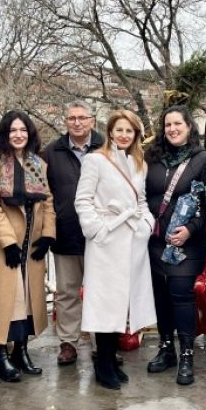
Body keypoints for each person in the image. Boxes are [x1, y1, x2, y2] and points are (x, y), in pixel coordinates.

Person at [74, 110, 156, 390]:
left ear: (135, 135)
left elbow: (142, 200)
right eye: (119, 130)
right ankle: (103, 363)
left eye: (129, 131)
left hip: (131, 240)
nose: (123, 135)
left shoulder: (138, 163)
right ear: (110, 131)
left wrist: (146, 225)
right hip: (105, 241)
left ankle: (109, 359)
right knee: (103, 303)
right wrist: (97, 229)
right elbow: (82, 200)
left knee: (122, 302)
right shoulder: (95, 160)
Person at [0, 111, 56, 381]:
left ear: (29, 133)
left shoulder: (38, 164)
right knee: (6, 300)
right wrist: (9, 243)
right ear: (5, 135)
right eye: (13, 131)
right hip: (4, 244)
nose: (18, 135)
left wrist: (47, 236)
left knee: (28, 301)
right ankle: (1, 356)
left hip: (32, 242)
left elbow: (48, 202)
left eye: (23, 130)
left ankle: (22, 351)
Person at [144, 105, 206, 386]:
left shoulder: (203, 160)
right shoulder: (152, 158)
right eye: (168, 124)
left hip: (188, 241)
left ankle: (186, 353)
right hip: (156, 239)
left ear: (189, 127)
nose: (172, 129)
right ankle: (165, 347)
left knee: (180, 292)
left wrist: (191, 229)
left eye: (178, 124)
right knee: (160, 292)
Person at [41, 101, 105, 366]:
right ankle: (68, 343)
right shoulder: (51, 153)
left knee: (100, 292)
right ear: (65, 121)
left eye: (82, 118)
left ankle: (104, 343)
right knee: (67, 292)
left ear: (92, 120)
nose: (77, 123)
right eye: (71, 118)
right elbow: (45, 194)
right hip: (66, 232)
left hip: (102, 235)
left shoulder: (107, 148)